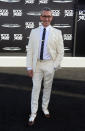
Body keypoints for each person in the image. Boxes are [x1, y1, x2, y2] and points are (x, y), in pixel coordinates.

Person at [26, 7, 64, 126]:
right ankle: (33, 113)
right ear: (41, 17)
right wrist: (29, 67)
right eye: (44, 16)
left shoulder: (57, 33)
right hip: (36, 65)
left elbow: (60, 52)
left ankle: (45, 108)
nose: (46, 18)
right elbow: (30, 51)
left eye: (48, 16)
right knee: (35, 89)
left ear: (51, 18)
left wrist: (54, 65)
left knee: (47, 88)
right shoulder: (34, 32)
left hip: (49, 65)